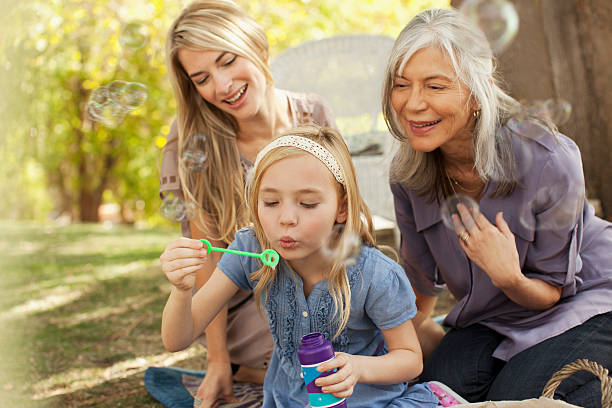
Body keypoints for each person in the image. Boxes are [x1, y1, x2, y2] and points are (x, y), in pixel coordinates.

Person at [381, 7, 612, 407]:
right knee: (435, 394)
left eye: (435, 87)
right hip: (490, 317)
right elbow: (420, 284)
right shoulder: (408, 175)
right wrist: (385, 345)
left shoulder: (548, 158)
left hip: (581, 300)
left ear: (477, 90)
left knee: (519, 399)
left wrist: (509, 276)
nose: (413, 103)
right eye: (402, 85)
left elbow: (553, 291)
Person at [160, 126, 439, 408]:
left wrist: (358, 367)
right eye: (270, 202)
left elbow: (410, 359)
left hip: (366, 400)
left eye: (307, 203)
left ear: (341, 208)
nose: (287, 218)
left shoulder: (374, 274)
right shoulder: (252, 250)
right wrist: (181, 290)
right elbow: (176, 340)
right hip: (288, 399)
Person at [159, 1, 337, 406]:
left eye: (227, 61)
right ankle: (245, 365)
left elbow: (342, 217)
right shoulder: (193, 139)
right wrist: (217, 360)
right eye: (202, 78)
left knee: (371, 336)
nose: (221, 86)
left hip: (320, 273)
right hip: (247, 294)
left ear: (255, 45)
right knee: (307, 352)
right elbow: (207, 259)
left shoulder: (314, 113)